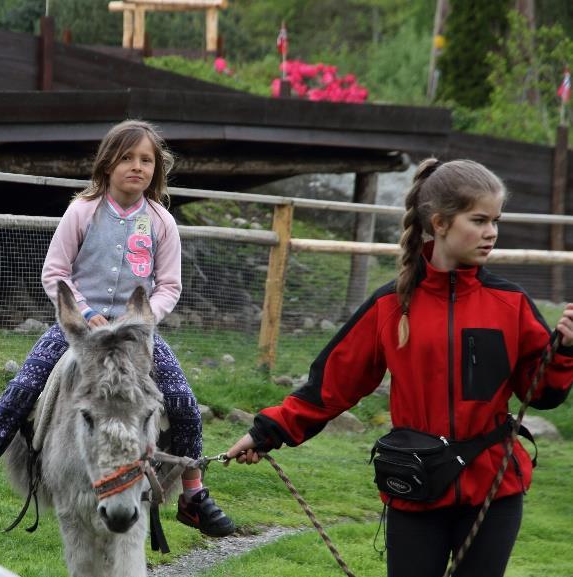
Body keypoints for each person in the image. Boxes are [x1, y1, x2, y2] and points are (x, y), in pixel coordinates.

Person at [226, 158, 573, 576]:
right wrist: (265, 433)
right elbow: (331, 386)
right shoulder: (391, 305)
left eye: (495, 220)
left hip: (493, 489)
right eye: (479, 219)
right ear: (441, 222)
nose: (491, 232)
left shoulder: (511, 303)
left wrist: (565, 350)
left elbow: (544, 394)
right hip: (415, 485)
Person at [0, 119, 235, 537]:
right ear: (107, 164)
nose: (137, 167)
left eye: (146, 160)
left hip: (137, 336)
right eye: (127, 158)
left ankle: (194, 496)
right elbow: (55, 273)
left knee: (182, 400)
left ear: (156, 169)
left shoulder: (162, 222)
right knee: (22, 388)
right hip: (78, 330)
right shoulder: (83, 210)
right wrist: (87, 315)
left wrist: (141, 321)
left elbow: (169, 286)